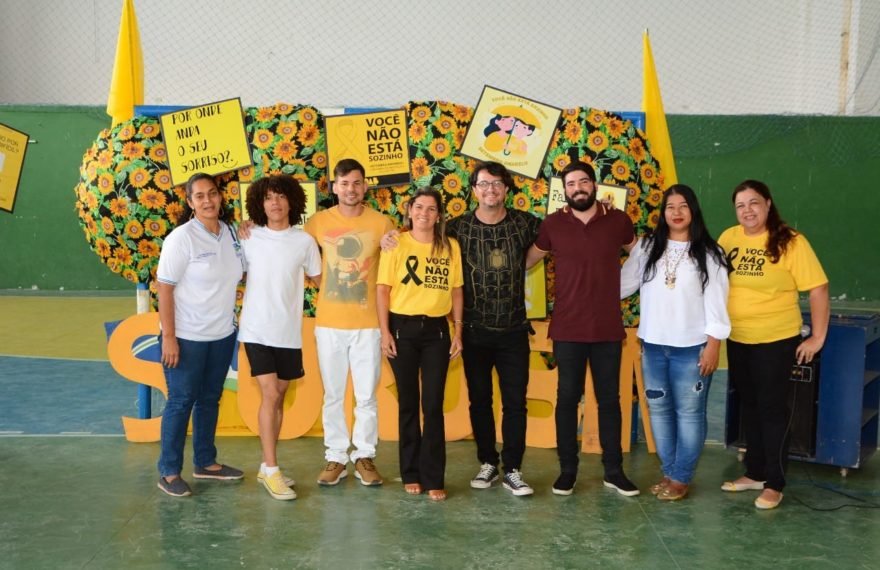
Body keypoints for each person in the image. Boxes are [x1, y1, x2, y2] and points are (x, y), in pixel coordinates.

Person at [382, 161, 541, 496]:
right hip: (472, 330)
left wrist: (598, 211)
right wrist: (390, 236)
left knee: (514, 402)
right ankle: (487, 463)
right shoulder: (458, 229)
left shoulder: (525, 223)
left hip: (511, 329)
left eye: (496, 184)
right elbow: (416, 241)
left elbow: (557, 235)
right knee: (478, 400)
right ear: (473, 190)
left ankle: (512, 469)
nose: (490, 189)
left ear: (506, 189)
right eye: (483, 184)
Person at [525, 160, 639, 497]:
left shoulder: (618, 220)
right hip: (567, 328)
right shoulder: (552, 224)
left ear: (595, 185)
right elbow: (527, 260)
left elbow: (643, 254)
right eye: (571, 184)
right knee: (566, 400)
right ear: (565, 190)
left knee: (609, 401)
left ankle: (614, 471)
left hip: (607, 328)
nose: (578, 188)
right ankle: (567, 471)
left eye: (584, 181)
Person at [719, 179, 829, 510]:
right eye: (740, 205)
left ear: (768, 204)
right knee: (750, 406)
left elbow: (818, 288)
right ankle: (755, 473)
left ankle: (775, 482)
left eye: (754, 203)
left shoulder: (791, 241)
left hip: (776, 340)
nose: (747, 211)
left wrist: (818, 337)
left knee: (772, 409)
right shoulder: (728, 238)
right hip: (738, 337)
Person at [620, 184, 731, 501]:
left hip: (693, 348)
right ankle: (670, 472)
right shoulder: (647, 248)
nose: (677, 212)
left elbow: (717, 304)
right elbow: (621, 286)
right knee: (659, 411)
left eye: (683, 206)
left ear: (693, 211)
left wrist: (713, 345)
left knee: (690, 413)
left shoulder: (710, 253)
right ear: (663, 213)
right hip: (653, 346)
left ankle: (681, 477)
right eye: (670, 207)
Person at [305, 159, 395, 487]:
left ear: (365, 186)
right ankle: (336, 457)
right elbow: (294, 251)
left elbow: (395, 264)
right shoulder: (317, 222)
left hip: (369, 325)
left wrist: (393, 242)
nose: (351, 189)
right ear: (334, 187)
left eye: (356, 183)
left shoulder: (382, 223)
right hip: (329, 323)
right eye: (344, 183)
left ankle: (365, 456)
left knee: (366, 395)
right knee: (333, 394)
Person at [155, 172, 245, 497]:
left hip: (221, 336)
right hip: (186, 338)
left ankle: (205, 462)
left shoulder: (231, 233)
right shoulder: (181, 238)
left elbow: (243, 272)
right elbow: (164, 288)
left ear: (220, 196)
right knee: (181, 402)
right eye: (200, 196)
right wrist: (169, 337)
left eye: (212, 193)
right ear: (190, 202)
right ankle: (168, 472)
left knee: (209, 399)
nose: (208, 200)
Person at [377, 187, 464, 502]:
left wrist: (458, 332)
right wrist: (385, 332)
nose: (424, 213)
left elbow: (456, 291)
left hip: (437, 332)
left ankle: (433, 476)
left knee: (433, 404)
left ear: (438, 215)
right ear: (409, 210)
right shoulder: (396, 243)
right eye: (418, 207)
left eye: (431, 209)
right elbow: (383, 289)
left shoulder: (450, 246)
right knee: (408, 402)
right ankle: (411, 473)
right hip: (402, 328)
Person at [238, 175, 321, 500]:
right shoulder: (248, 237)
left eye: (281, 196)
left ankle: (266, 466)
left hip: (288, 333)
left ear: (292, 202)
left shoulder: (304, 242)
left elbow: (321, 280)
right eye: (269, 197)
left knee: (280, 396)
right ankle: (272, 470)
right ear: (260, 203)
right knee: (270, 394)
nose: (275, 203)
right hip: (256, 329)